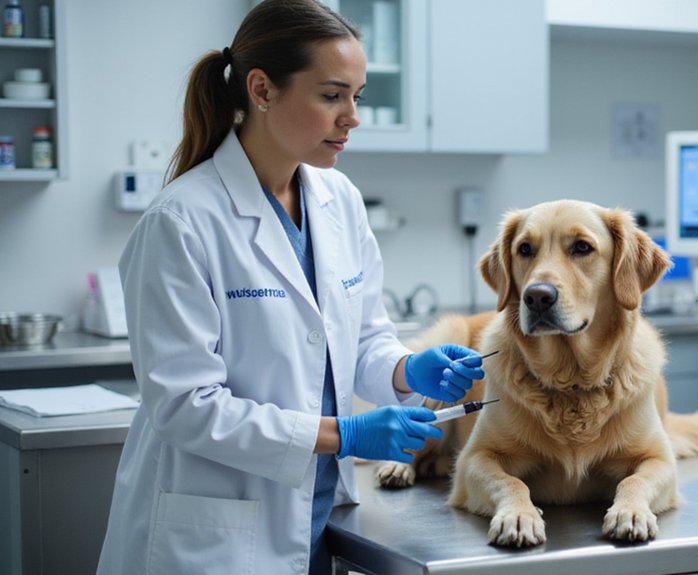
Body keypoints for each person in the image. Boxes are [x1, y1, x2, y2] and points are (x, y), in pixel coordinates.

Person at [96, 1, 484, 573]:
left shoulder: (339, 201)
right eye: (331, 95)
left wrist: (407, 370)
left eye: (358, 96)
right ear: (262, 89)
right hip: (212, 537)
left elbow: (361, 341)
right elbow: (185, 406)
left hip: (314, 520)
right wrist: (343, 433)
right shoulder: (181, 222)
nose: (352, 116)